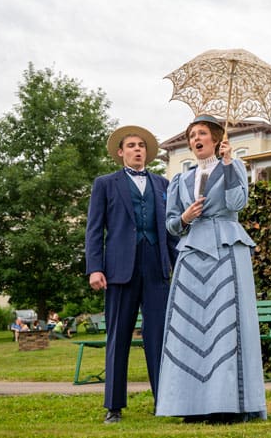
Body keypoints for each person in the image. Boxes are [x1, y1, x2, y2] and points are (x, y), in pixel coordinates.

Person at [155, 114, 266, 423]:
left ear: (216, 139)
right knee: (189, 327)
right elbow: (172, 225)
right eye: (191, 135)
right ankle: (191, 405)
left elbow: (236, 203)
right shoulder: (180, 179)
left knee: (226, 326)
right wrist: (187, 217)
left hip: (227, 248)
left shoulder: (235, 167)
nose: (195, 139)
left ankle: (228, 406)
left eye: (201, 133)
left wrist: (229, 163)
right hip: (191, 253)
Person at [85, 125, 179, 424]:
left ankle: (162, 400)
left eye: (142, 146)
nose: (138, 150)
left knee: (158, 337)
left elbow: (170, 230)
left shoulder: (163, 184)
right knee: (119, 336)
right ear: (120, 152)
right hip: (118, 269)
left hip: (156, 264)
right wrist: (95, 267)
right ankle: (114, 406)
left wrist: (179, 263)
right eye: (132, 146)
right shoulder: (105, 184)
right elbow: (94, 229)